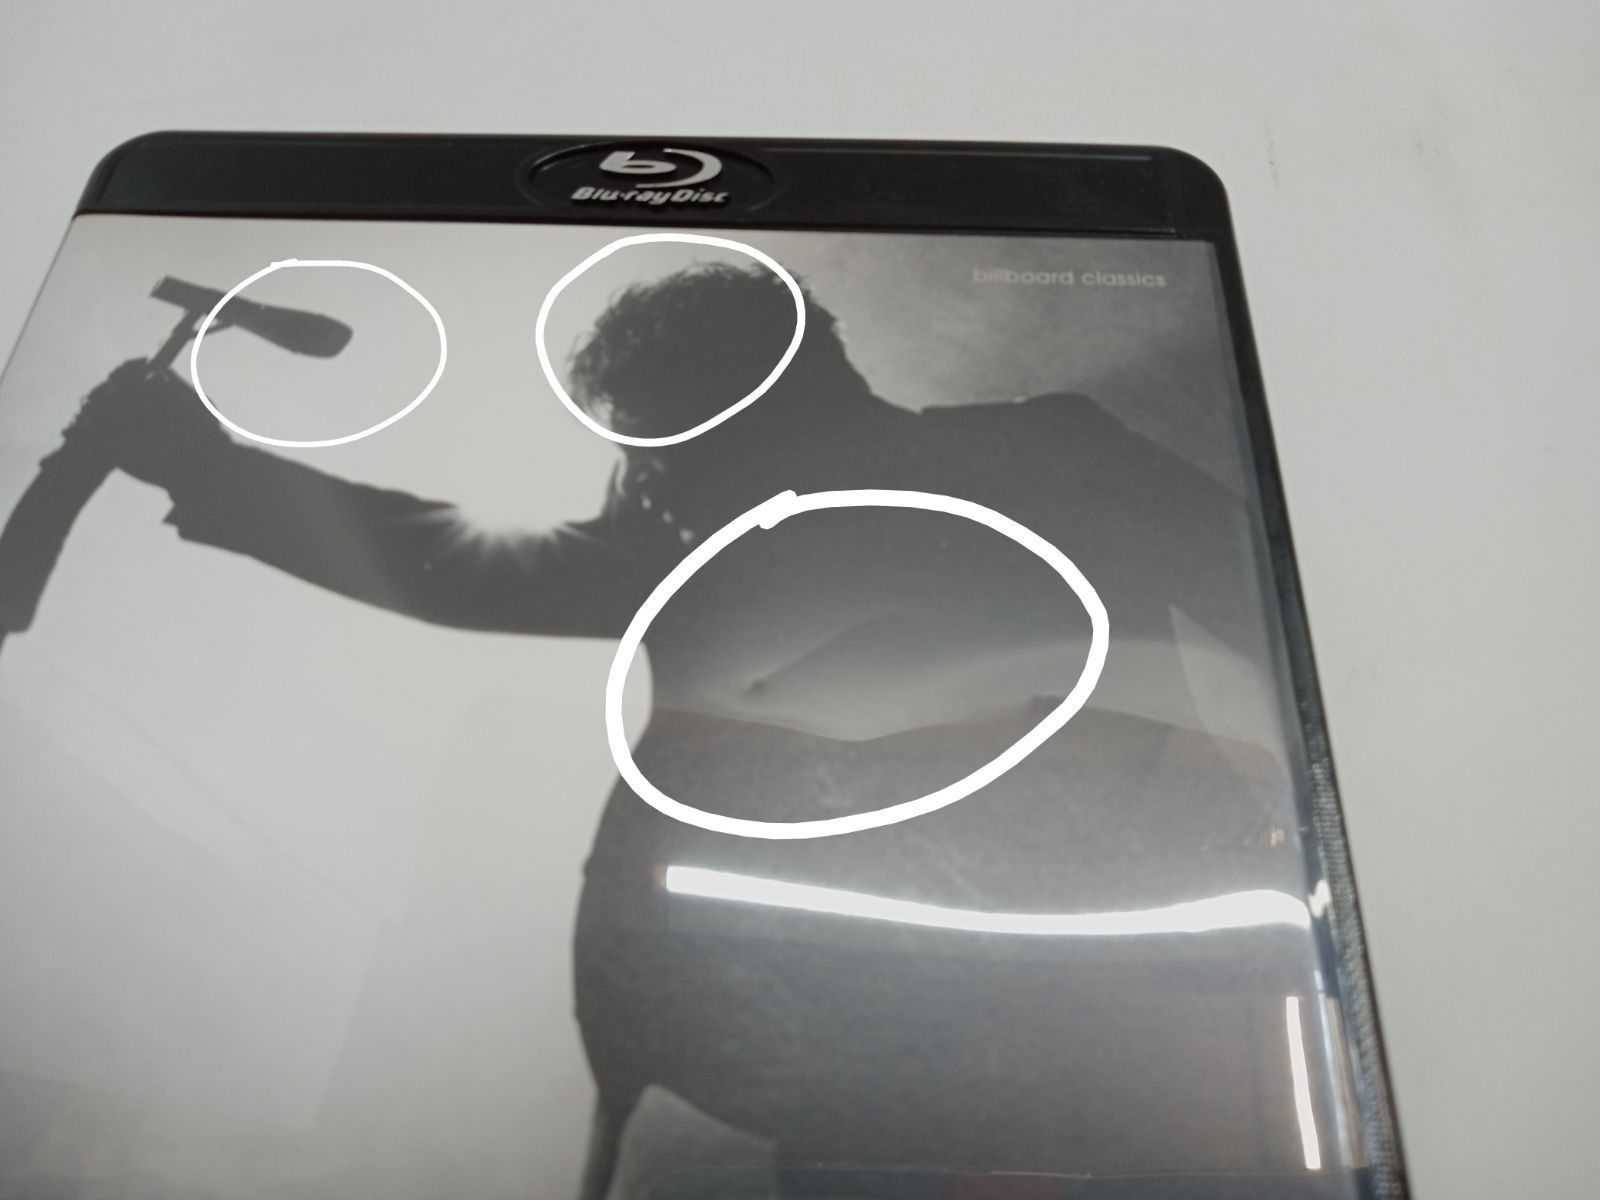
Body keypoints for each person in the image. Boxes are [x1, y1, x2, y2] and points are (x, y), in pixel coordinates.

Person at [59, 263, 1288, 1193]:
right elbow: (1272, 600)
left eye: (651, 446)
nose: (642, 483)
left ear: (729, 416)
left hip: (959, 1037)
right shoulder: (1026, 458)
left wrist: (199, 462)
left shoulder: (720, 537)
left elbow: (449, 564)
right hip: (965, 1031)